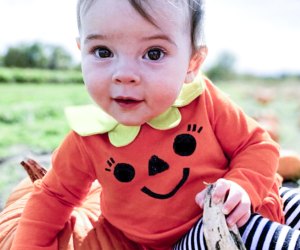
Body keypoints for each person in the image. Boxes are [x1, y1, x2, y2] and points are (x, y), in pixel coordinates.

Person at [11, 0, 300, 249]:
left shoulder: (202, 100)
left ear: (192, 63)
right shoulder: (88, 139)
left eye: (153, 53)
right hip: (194, 236)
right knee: (243, 232)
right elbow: (53, 196)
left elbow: (257, 145)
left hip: (261, 195)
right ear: (81, 51)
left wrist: (244, 185)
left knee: (292, 202)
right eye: (102, 51)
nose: (124, 74)